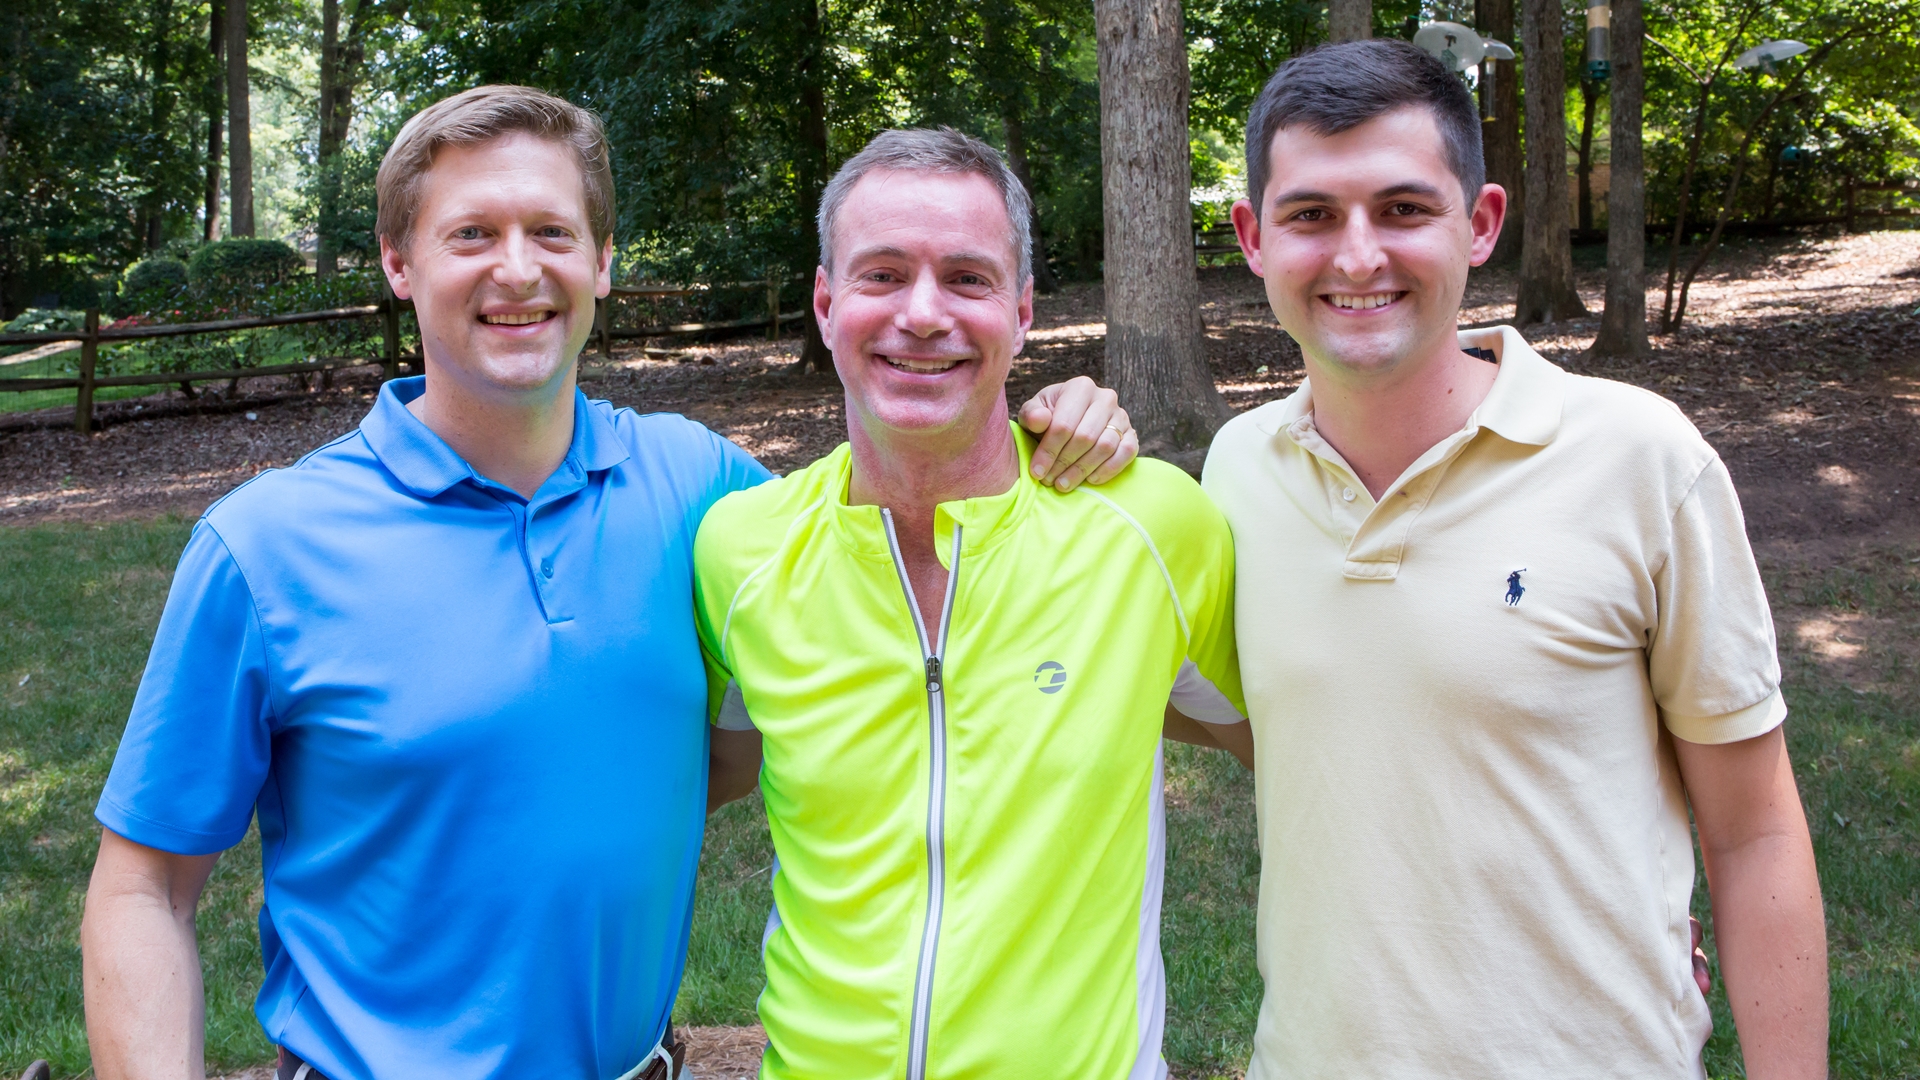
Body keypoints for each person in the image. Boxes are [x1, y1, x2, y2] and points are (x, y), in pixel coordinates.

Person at [79, 87, 1132, 1080]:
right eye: (471, 235)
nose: (517, 270)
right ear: (399, 262)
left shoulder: (705, 495)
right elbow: (142, 888)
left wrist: (1058, 419)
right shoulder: (266, 546)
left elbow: (891, 551)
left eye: (550, 233)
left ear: (603, 262)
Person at [1206, 40, 1827, 1079]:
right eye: (1313, 214)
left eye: (1404, 209)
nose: (1358, 256)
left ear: (1482, 223)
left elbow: (1756, 832)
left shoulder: (1642, 459)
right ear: (1254, 238)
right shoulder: (1235, 472)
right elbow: (1264, 715)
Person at [695, 127, 1251, 1080]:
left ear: (1023, 311)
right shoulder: (737, 552)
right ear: (826, 305)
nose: (922, 313)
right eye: (880, 276)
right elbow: (710, 776)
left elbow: (1297, 751)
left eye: (967, 277)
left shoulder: (1153, 528)